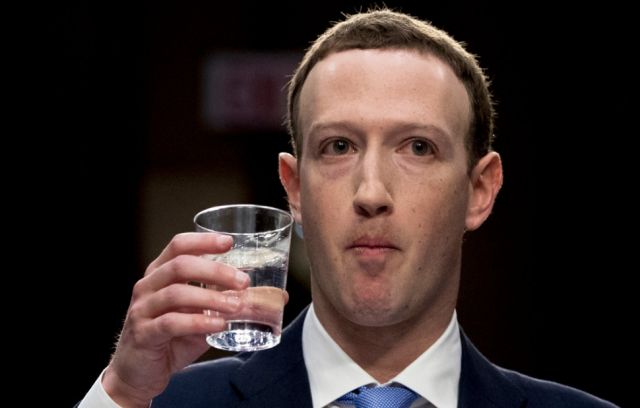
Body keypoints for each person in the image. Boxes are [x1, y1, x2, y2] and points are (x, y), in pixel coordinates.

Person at [78, 8, 616, 408]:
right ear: (294, 189)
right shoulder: (159, 403)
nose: (371, 193)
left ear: (480, 190)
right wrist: (120, 395)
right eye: (339, 146)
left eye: (418, 147)